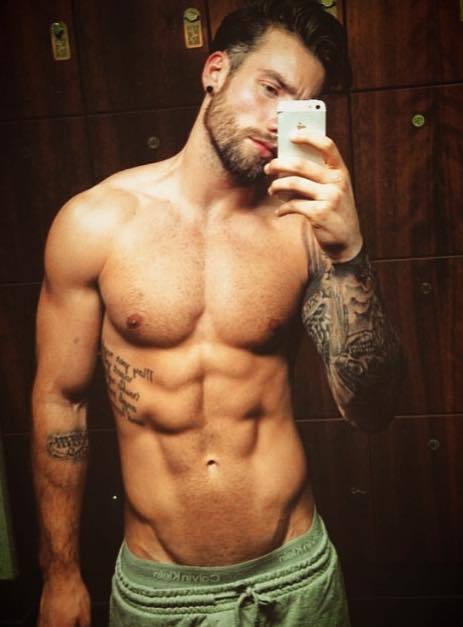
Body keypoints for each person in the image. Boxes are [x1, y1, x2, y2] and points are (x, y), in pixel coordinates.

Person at [32, 1, 402, 625]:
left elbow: (372, 409)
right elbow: (59, 403)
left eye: (302, 106)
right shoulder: (96, 222)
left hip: (297, 573)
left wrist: (350, 254)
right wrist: (60, 571)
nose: (278, 120)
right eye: (271, 89)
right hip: (160, 591)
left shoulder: (304, 228)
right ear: (215, 71)